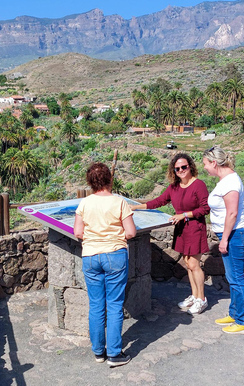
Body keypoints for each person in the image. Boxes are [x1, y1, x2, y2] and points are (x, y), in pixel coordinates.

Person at [130, 153, 210, 315]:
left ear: (190, 167)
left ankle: (202, 299)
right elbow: (158, 201)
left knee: (194, 265)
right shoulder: (174, 187)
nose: (181, 170)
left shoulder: (199, 185)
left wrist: (184, 215)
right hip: (182, 230)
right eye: (177, 168)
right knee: (188, 264)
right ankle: (194, 296)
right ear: (173, 170)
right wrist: (135, 207)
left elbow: (205, 208)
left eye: (184, 167)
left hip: (195, 228)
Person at [74, 163, 137, 367]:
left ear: (90, 182)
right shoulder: (119, 203)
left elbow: (78, 232)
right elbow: (131, 232)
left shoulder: (84, 203)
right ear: (110, 179)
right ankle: (115, 353)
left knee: (96, 305)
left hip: (91, 256)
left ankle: (98, 351)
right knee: (115, 304)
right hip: (114, 255)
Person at [202, 146, 244, 335]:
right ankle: (235, 313)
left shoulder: (230, 182)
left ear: (214, 163)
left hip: (235, 234)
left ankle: (243, 322)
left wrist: (224, 240)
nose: (205, 168)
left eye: (206, 164)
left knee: (236, 278)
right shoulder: (226, 180)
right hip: (232, 233)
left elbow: (232, 213)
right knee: (232, 278)